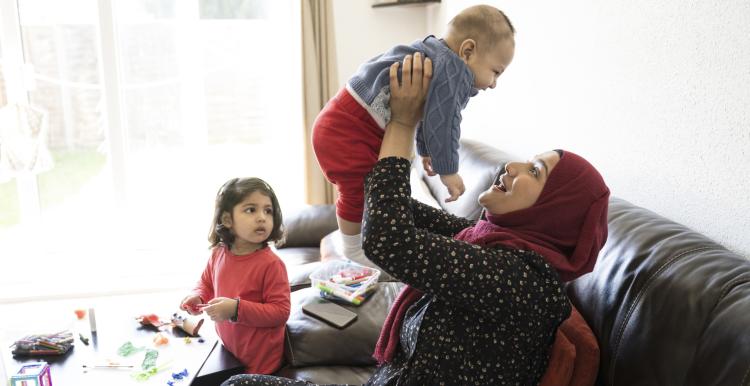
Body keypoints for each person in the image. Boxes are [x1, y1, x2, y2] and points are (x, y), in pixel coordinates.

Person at [221, 54, 609, 385]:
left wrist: (403, 126)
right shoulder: (484, 239)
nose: (513, 165)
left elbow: (389, 240)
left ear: (554, 215)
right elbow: (397, 210)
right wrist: (361, 151)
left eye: (536, 171)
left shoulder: (520, 280)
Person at [312, 4, 516, 269]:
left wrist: (425, 150)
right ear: (467, 51)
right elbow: (446, 123)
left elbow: (429, 115)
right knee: (358, 188)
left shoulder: (435, 55)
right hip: (350, 127)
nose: (493, 83)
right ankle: (352, 249)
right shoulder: (454, 70)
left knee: (366, 186)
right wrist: (448, 171)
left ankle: (354, 246)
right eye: (496, 71)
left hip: (342, 118)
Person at [180, 177, 291, 374]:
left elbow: (280, 312)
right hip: (229, 352)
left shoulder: (272, 265)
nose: (262, 217)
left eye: (268, 211)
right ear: (227, 220)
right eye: (251, 209)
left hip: (261, 364)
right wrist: (198, 295)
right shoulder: (218, 253)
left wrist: (236, 309)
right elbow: (206, 282)